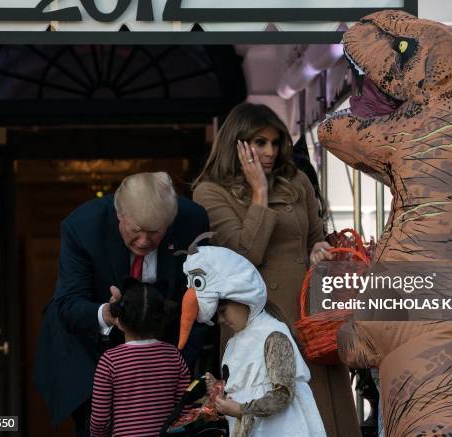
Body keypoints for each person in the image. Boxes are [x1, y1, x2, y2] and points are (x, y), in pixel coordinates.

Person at [192, 102, 359, 436]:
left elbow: (314, 237)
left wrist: (318, 249)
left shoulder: (296, 181)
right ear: (236, 143)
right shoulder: (210, 192)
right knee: (274, 418)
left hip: (310, 317)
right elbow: (241, 257)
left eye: (275, 142)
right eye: (259, 142)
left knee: (327, 414)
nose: (269, 151)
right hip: (259, 324)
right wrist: (259, 193)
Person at [34, 172, 209, 437]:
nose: (143, 242)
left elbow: (200, 299)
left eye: (154, 233)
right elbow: (68, 305)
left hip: (166, 356)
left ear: (170, 223)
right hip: (91, 354)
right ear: (120, 215)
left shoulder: (192, 220)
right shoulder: (82, 227)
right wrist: (107, 313)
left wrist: (173, 367)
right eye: (135, 230)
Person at [178, 243, 326, 437]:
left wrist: (241, 410)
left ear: (241, 297)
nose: (221, 320)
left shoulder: (272, 334)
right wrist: (218, 388)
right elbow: (244, 387)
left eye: (223, 311)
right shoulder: (234, 342)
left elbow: (283, 394)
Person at [90, 278, 190, 437]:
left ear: (119, 319)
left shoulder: (110, 361)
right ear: (160, 319)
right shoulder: (173, 355)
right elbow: (184, 409)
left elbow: (100, 420)